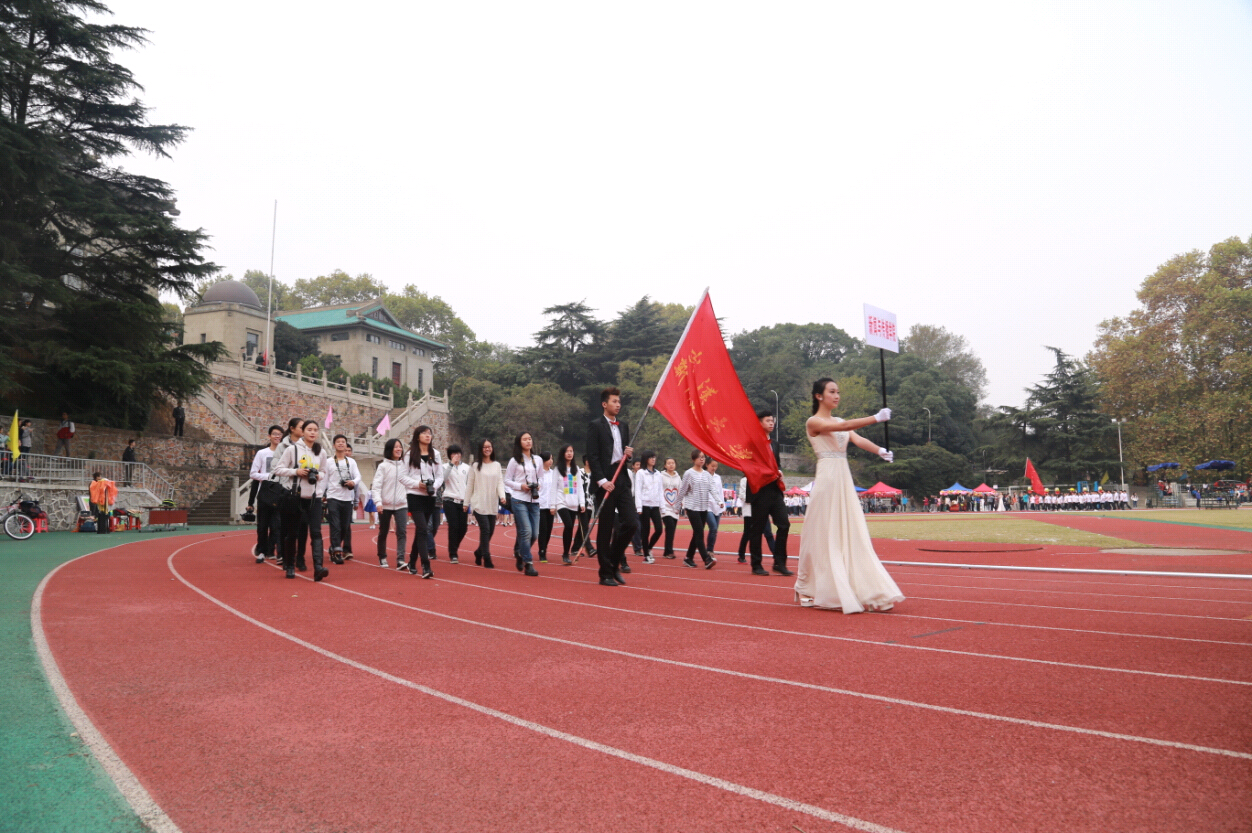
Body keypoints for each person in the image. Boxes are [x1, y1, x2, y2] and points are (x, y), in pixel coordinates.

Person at [795, 378, 904, 612]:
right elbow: (843, 429)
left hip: (843, 477)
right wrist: (876, 418)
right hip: (827, 478)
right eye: (832, 392)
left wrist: (880, 450)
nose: (837, 395)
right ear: (819, 396)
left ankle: (862, 587)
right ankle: (809, 587)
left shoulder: (840, 420)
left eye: (838, 392)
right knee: (824, 532)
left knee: (850, 529)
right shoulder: (813, 421)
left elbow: (856, 438)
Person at [586, 387, 638, 586]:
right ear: (604, 404)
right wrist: (601, 481)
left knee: (632, 522)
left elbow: (621, 453)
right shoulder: (595, 425)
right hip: (605, 481)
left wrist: (629, 454)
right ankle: (605, 573)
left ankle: (614, 562)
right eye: (614, 401)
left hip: (622, 478)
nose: (618, 404)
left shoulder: (623, 426)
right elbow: (593, 455)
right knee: (606, 528)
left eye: (619, 401)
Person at [273, 419, 330, 581]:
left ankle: (318, 568)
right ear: (302, 432)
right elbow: (278, 469)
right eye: (309, 429)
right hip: (295, 496)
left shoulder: (322, 452)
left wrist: (318, 475)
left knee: (316, 532)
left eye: (315, 430)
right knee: (292, 533)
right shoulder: (293, 450)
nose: (313, 433)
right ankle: (290, 565)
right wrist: (296, 471)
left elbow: (324, 472)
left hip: (314, 498)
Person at [745, 409, 792, 577]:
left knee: (784, 524)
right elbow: (747, 467)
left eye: (772, 420)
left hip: (774, 490)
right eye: (767, 420)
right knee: (757, 529)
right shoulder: (751, 443)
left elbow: (777, 464)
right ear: (759, 423)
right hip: (759, 490)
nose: (771, 423)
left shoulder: (775, 444)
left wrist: (779, 472)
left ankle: (780, 562)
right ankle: (756, 564)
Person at [399, 425, 440, 579]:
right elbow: (402, 476)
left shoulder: (435, 454)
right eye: (424, 433)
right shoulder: (410, 454)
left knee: (421, 531)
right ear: (417, 436)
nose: (427, 435)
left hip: (430, 496)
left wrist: (433, 486)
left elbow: (440, 476)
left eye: (429, 433)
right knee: (423, 529)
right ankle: (426, 565)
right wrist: (418, 484)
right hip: (414, 495)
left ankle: (411, 561)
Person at [504, 432, 542, 576]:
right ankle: (528, 563)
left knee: (534, 534)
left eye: (530, 439)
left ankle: (520, 552)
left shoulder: (537, 459)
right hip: (519, 499)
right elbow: (507, 480)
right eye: (525, 439)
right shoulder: (514, 460)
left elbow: (542, 478)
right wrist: (521, 486)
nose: (528, 441)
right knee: (526, 532)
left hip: (534, 500)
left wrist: (538, 485)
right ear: (519, 442)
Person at [246, 425, 285, 563]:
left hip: (280, 492)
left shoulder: (285, 453)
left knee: (277, 525)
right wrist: (270, 476)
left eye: (280, 434)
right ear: (269, 436)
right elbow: (253, 474)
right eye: (275, 434)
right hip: (265, 493)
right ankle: (262, 551)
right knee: (262, 525)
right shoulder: (262, 453)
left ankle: (272, 550)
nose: (277, 436)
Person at [466, 438, 506, 568]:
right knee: (485, 529)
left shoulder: (497, 465)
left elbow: (500, 482)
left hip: (492, 502)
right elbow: (469, 485)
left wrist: (502, 496)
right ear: (480, 449)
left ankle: (478, 552)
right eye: (484, 447)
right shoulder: (475, 466)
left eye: (489, 446)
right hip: (479, 503)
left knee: (491, 531)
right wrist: (466, 503)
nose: (487, 449)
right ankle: (486, 557)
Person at [371, 438, 408, 569]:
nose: (399, 449)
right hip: (385, 505)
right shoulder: (383, 466)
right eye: (396, 447)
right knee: (384, 531)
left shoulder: (405, 466)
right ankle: (382, 556)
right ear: (390, 450)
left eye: (400, 447)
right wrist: (378, 502)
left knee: (402, 532)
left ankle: (401, 559)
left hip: (402, 504)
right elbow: (376, 486)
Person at [325, 434, 362, 565]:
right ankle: (336, 552)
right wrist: (322, 494)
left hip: (347, 498)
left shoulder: (351, 462)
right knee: (335, 525)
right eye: (338, 442)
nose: (341, 444)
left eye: (343, 442)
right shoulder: (328, 462)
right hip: (333, 497)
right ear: (334, 445)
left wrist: (352, 481)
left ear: (346, 445)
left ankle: (333, 547)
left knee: (345, 527)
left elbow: (358, 477)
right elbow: (325, 479)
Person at [676, 449, 716, 568]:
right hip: (692, 506)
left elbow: (712, 488)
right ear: (694, 459)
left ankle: (689, 558)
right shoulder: (689, 473)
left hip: (703, 507)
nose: (702, 459)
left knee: (697, 533)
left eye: (703, 457)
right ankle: (706, 559)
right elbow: (682, 490)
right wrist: (677, 506)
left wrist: (719, 501)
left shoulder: (706, 474)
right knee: (699, 532)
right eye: (699, 457)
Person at [552, 444, 587, 565]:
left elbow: (580, 488)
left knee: (570, 527)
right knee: (568, 525)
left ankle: (566, 552)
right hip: (561, 502)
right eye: (567, 451)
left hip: (574, 503)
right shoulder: (558, 469)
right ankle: (565, 554)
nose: (569, 453)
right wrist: (553, 505)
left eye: (571, 451)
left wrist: (582, 502)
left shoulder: (576, 469)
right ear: (563, 453)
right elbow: (553, 488)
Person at [442, 443, 470, 563]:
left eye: (458, 453)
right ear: (449, 455)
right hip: (449, 500)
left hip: (463, 501)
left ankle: (454, 546)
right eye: (453, 454)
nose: (456, 456)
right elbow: (443, 479)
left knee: (463, 528)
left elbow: (469, 485)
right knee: (453, 526)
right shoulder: (444, 467)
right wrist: (451, 464)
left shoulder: (467, 468)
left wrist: (469, 501)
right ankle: (453, 553)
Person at [634, 452, 664, 563]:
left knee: (659, 529)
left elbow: (660, 491)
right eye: (651, 457)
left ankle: (649, 547)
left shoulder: (658, 474)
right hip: (645, 505)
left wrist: (663, 507)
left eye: (654, 457)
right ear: (646, 459)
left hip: (655, 505)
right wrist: (639, 507)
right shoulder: (641, 473)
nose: (653, 459)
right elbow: (638, 490)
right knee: (645, 531)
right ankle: (646, 555)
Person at [659, 457, 682, 558]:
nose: (671, 465)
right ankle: (669, 551)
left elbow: (681, 491)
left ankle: (667, 550)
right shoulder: (661, 476)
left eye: (673, 463)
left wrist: (681, 504)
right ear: (665, 465)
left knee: (672, 530)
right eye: (668, 463)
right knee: (670, 527)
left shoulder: (678, 477)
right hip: (664, 507)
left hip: (675, 507)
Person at [536, 451, 556, 563]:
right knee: (542, 530)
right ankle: (542, 551)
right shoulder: (538, 474)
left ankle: (544, 548)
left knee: (548, 530)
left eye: (552, 458)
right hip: (540, 505)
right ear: (543, 461)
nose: (551, 461)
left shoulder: (554, 474)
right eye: (549, 459)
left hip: (551, 506)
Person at [705, 458, 725, 556]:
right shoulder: (703, 476)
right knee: (713, 527)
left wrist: (723, 506)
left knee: (715, 530)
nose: (714, 468)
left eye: (715, 466)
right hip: (707, 506)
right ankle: (709, 550)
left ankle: (710, 548)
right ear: (707, 465)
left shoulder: (718, 477)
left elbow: (720, 492)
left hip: (717, 506)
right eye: (712, 466)